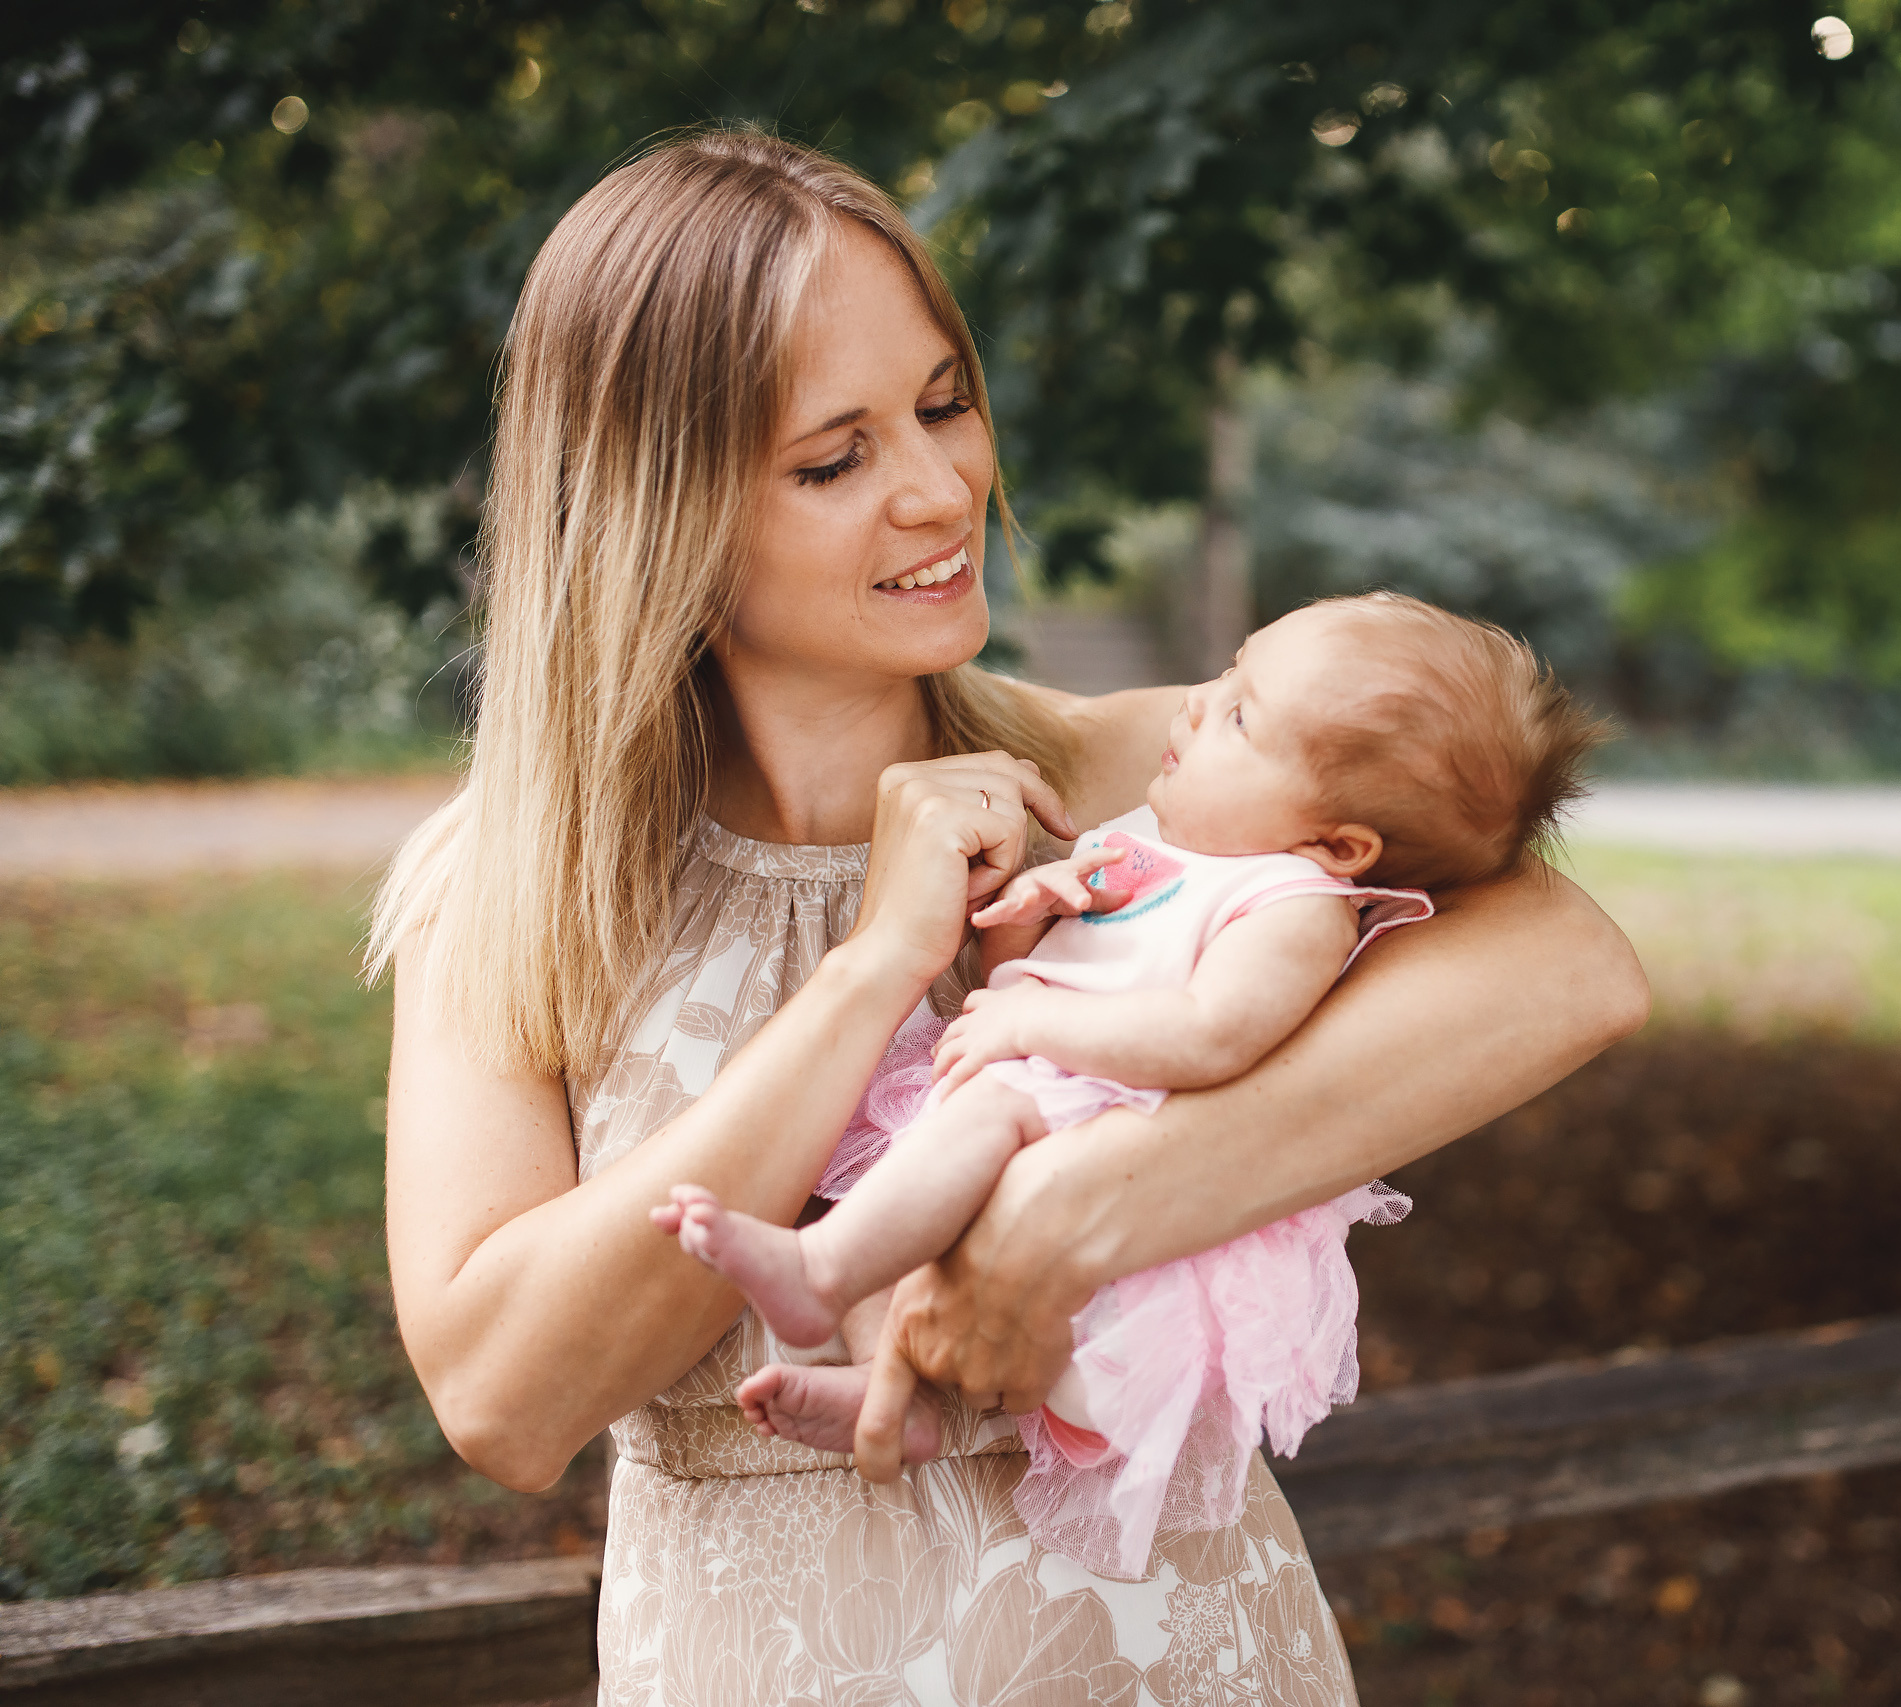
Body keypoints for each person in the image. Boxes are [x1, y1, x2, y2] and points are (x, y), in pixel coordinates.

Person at [372, 127, 1647, 1705]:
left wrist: (1078, 1211)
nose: (940, 488)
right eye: (833, 460)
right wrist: (873, 969)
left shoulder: (1137, 780)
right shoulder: (511, 886)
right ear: (656, 510)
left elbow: (1572, 967)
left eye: (944, 403)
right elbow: (503, 1399)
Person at [653, 593, 1606, 1581]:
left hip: (1111, 1119)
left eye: (1240, 715)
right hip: (1049, 1088)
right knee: (899, 1183)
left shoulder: (1292, 904)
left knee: (967, 1129)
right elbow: (1035, 973)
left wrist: (1031, 1025)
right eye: (1226, 673)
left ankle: (820, 1275)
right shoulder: (1160, 845)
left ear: (1339, 845)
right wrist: (1029, 917)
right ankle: (892, 1392)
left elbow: (1209, 1035)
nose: (1195, 703)